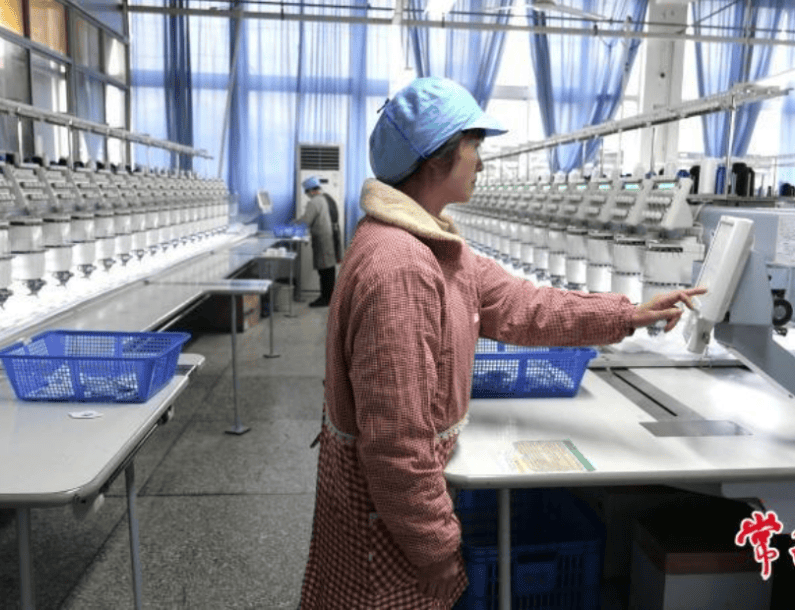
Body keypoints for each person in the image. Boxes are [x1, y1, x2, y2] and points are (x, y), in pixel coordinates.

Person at [299, 77, 705, 609]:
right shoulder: (401, 268)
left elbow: (524, 306)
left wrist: (628, 313)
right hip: (384, 523)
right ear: (436, 158)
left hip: (391, 507)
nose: (482, 163)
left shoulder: (431, 246)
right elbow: (397, 446)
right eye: (475, 147)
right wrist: (439, 551)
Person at [298, 175, 343, 307]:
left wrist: (293, 223)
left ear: (311, 191)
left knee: (324, 271)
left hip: (324, 239)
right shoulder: (328, 198)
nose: (307, 196)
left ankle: (325, 299)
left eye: (307, 193)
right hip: (333, 236)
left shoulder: (314, 202)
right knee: (329, 268)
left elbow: (306, 221)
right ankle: (330, 297)